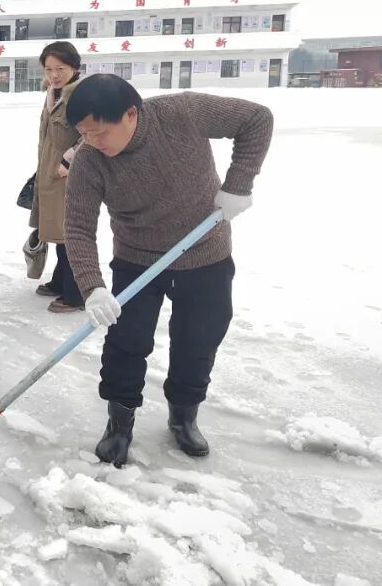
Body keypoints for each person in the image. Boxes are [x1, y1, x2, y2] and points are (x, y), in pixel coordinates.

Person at [64, 74, 273, 466]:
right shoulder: (90, 161)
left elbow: (257, 119)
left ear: (131, 113)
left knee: (199, 339)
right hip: (137, 257)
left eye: (99, 132)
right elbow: (77, 226)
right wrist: (92, 288)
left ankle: (184, 414)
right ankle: (119, 421)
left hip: (204, 250)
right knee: (126, 341)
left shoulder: (184, 113)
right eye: (84, 135)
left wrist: (238, 185)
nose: (92, 142)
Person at [29, 42, 84, 314]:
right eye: (49, 69)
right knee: (57, 232)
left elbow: (94, 135)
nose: (53, 75)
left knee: (70, 235)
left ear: (74, 67)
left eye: (59, 69)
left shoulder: (82, 95)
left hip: (71, 176)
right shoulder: (53, 92)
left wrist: (67, 160)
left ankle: (76, 294)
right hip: (50, 175)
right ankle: (61, 281)